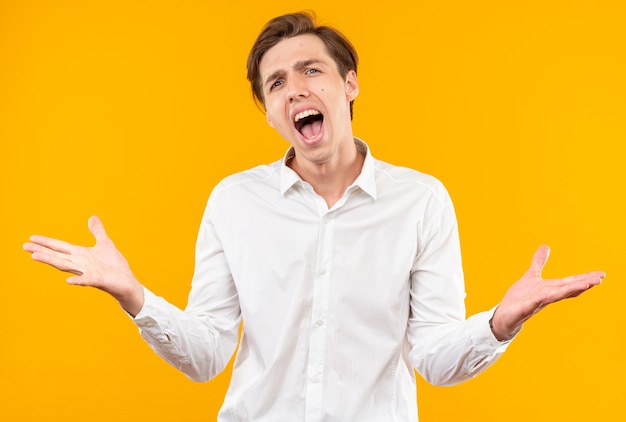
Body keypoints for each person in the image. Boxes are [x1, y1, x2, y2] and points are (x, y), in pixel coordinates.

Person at [23, 11, 605, 422]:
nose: (295, 89)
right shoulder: (233, 201)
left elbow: (434, 359)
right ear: (271, 113)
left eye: (311, 70)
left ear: (349, 84)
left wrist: (501, 322)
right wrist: (136, 297)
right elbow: (207, 358)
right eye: (276, 83)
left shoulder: (421, 201)